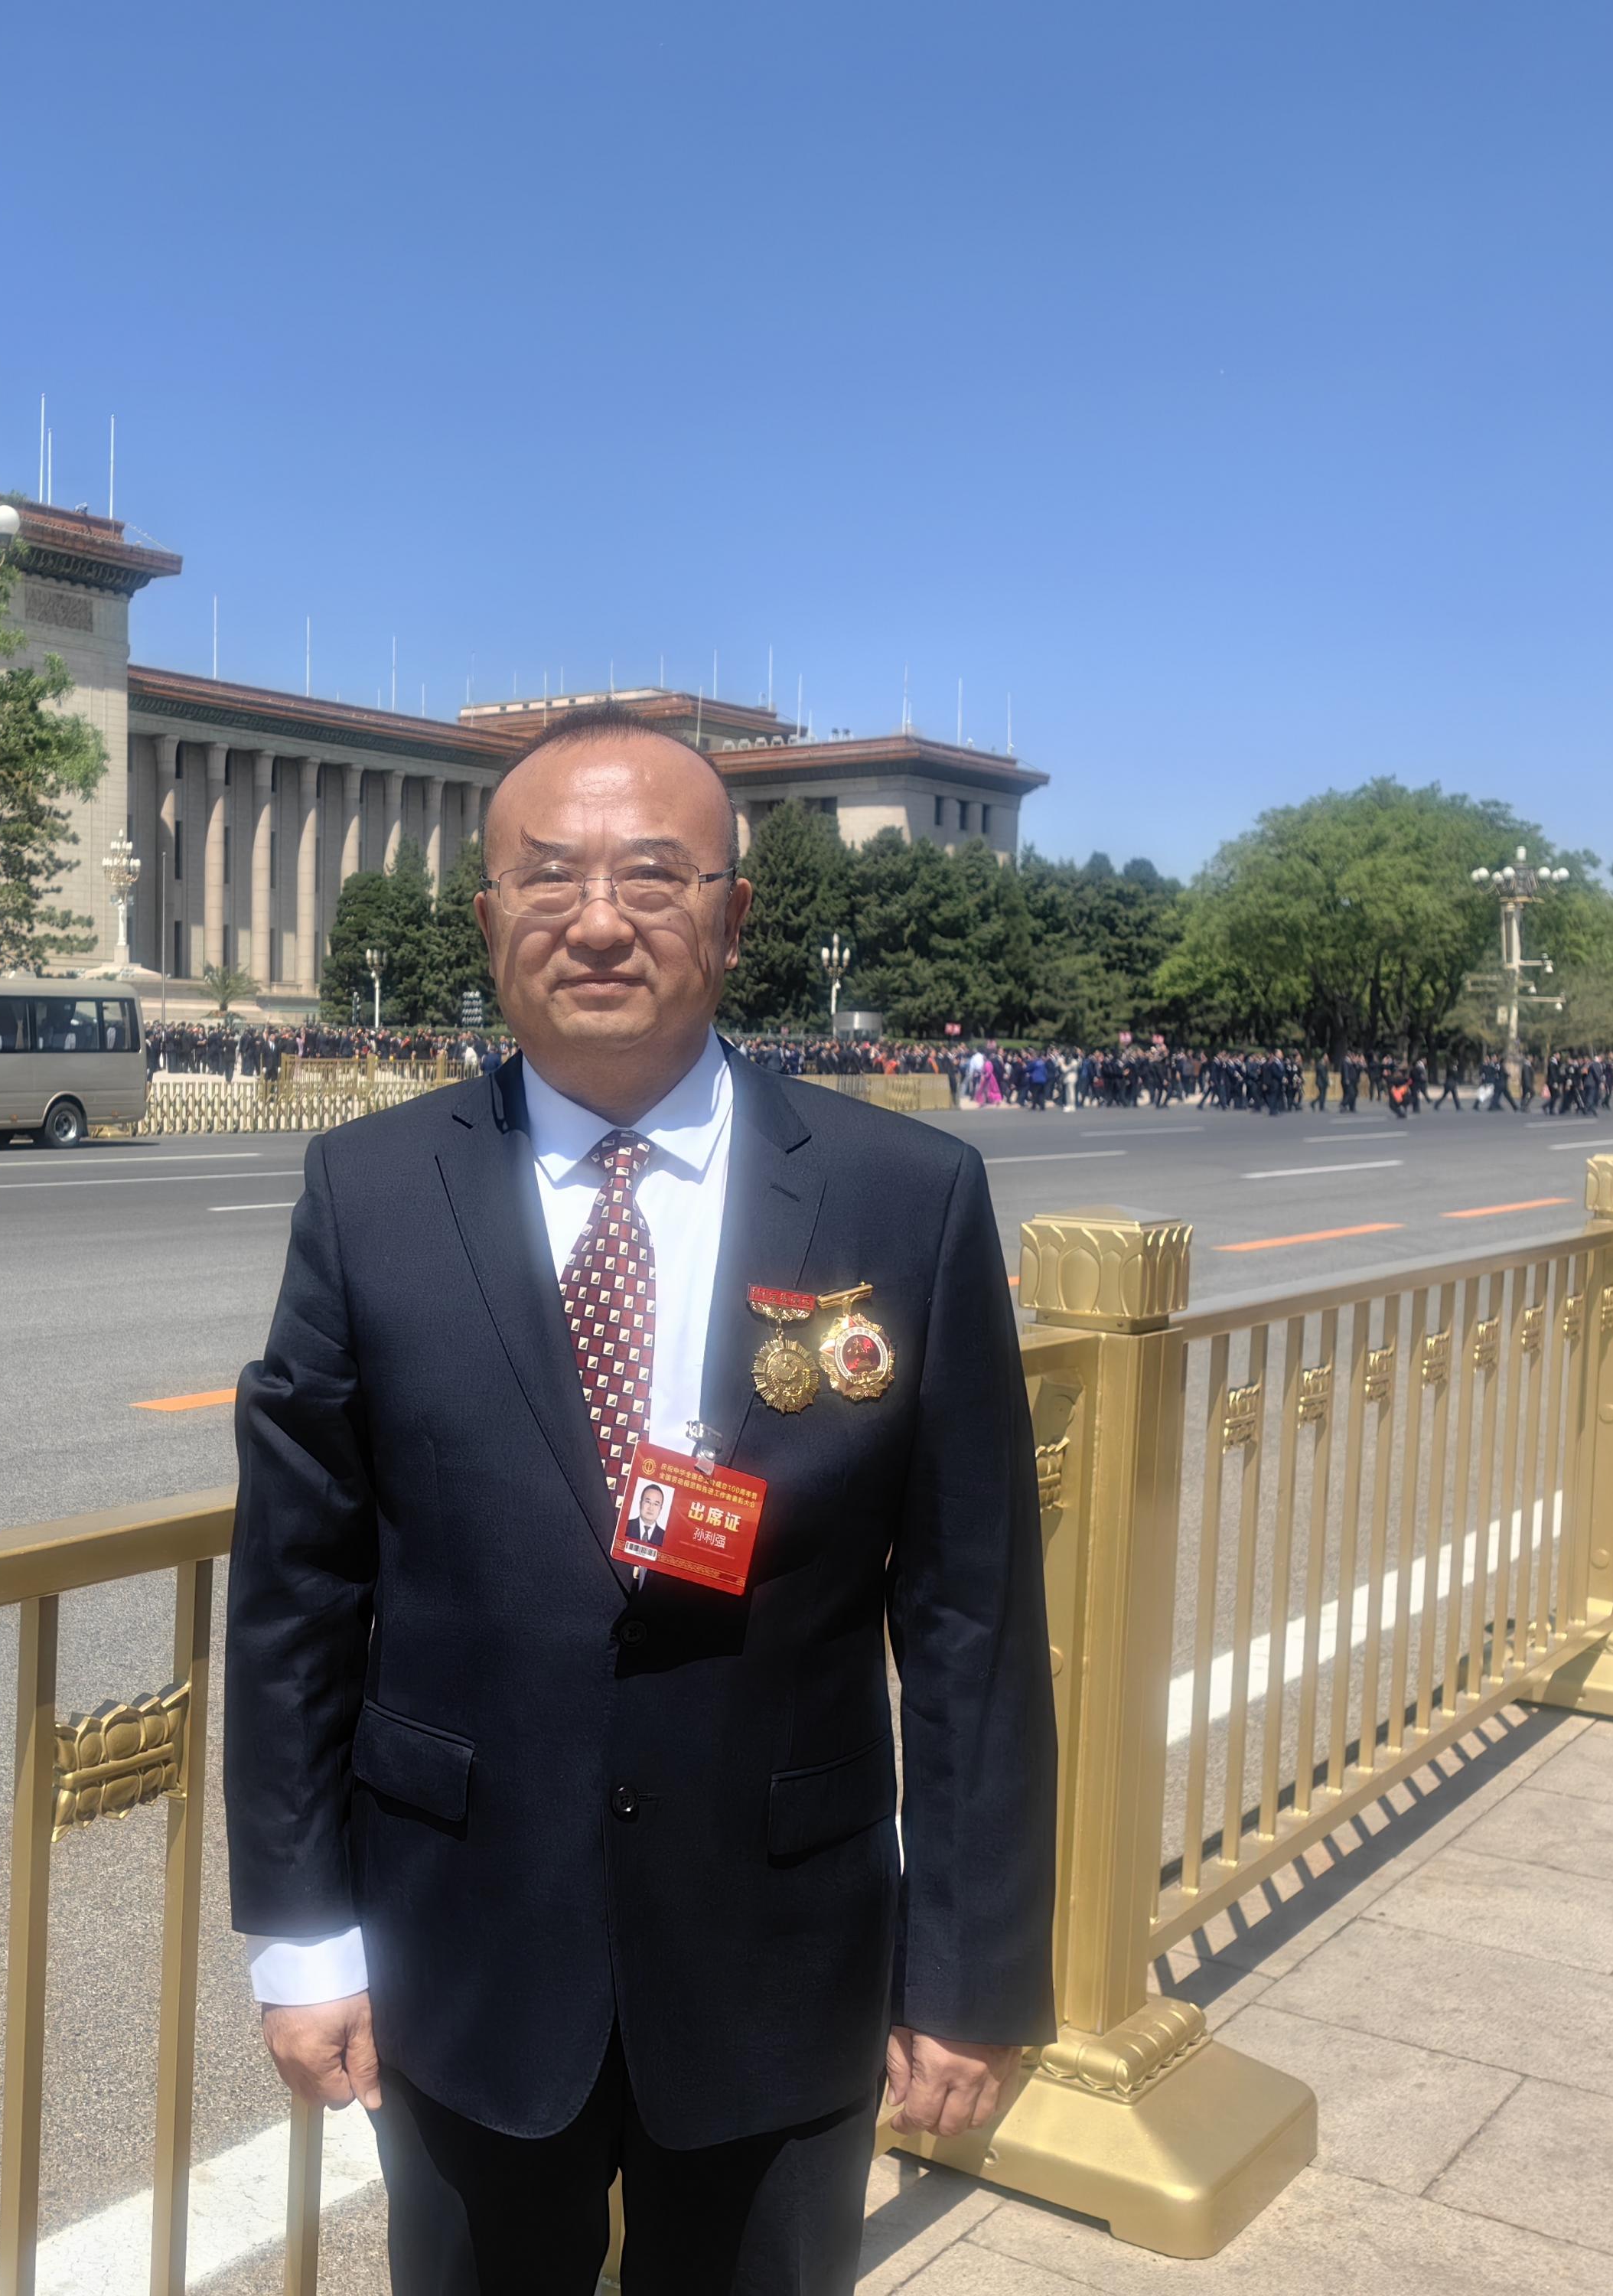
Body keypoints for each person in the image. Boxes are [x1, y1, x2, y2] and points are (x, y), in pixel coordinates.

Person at [227, 708, 1056, 2296]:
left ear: (734, 918)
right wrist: (303, 1935)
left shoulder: (904, 1195)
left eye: (653, 877)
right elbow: (295, 1596)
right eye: (548, 878)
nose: (598, 920)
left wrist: (970, 1971)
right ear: (487, 922)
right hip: (464, 1952)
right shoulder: (369, 1191)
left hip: (780, 1952)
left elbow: (971, 1618)